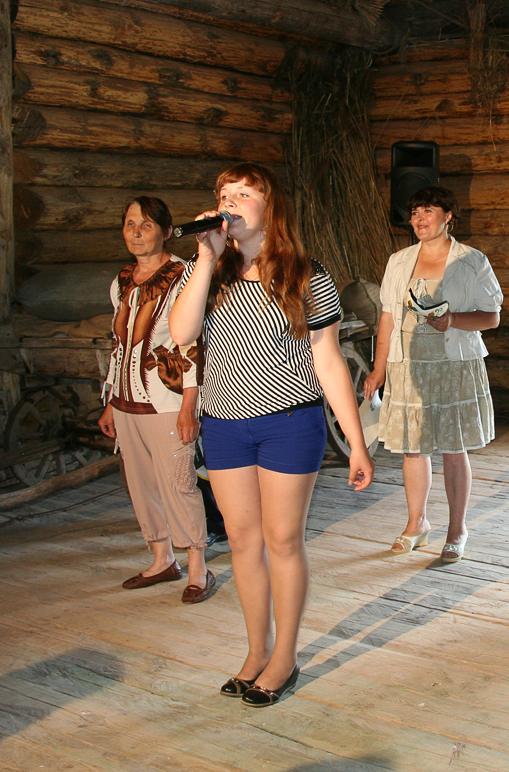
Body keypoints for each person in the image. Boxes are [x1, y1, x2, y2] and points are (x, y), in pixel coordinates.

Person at [169, 163, 373, 708]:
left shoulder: (306, 274)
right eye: (224, 193)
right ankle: (256, 650)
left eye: (244, 194)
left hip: (289, 422)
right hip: (224, 424)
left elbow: (329, 362)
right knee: (242, 542)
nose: (230, 202)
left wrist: (356, 442)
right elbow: (181, 334)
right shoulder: (209, 270)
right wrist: (206, 257)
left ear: (270, 206)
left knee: (283, 540)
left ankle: (285, 656)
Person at [363, 186, 502, 563]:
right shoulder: (399, 261)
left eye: (428, 211)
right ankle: (417, 523)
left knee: (454, 449)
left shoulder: (471, 260)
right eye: (415, 213)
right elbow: (388, 316)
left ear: (448, 216)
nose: (419, 219)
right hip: (408, 365)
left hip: (453, 364)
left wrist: (453, 319)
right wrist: (378, 369)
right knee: (414, 447)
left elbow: (491, 317)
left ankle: (457, 529)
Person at [98, 196, 212, 604]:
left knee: (179, 483)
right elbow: (119, 345)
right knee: (141, 483)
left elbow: (193, 344)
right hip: (127, 401)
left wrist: (189, 406)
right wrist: (111, 400)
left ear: (165, 231)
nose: (136, 232)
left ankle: (197, 566)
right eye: (130, 224)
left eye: (146, 225)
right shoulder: (122, 280)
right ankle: (162, 558)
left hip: (167, 399)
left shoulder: (184, 276)